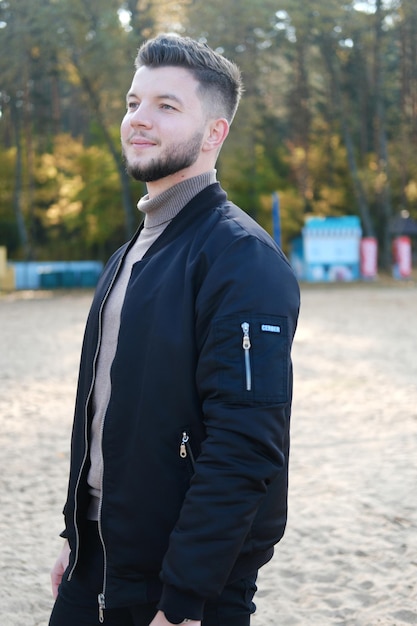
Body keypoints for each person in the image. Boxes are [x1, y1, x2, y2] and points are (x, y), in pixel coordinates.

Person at [49, 34, 300, 626]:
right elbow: (105, 411)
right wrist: (76, 531)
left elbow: (245, 447)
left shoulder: (241, 258)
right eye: (134, 102)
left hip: (182, 586)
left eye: (167, 106)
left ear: (215, 133)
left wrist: (184, 599)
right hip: (97, 560)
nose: (138, 119)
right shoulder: (129, 253)